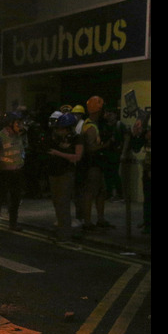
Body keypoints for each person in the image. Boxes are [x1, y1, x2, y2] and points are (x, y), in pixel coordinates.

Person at [46, 113, 84, 242]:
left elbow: (77, 157)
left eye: (61, 128)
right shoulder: (56, 138)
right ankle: (61, 229)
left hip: (65, 173)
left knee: (63, 203)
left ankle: (65, 233)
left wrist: (58, 153)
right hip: (54, 172)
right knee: (57, 203)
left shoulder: (77, 139)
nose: (59, 131)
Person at [79, 96, 112, 231]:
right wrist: (106, 145)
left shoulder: (93, 124)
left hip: (96, 164)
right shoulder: (91, 127)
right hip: (92, 165)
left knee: (100, 192)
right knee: (91, 192)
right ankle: (88, 221)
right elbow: (90, 148)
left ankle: (100, 219)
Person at [0, 111, 26, 231]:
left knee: (15, 199)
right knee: (0, 198)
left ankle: (13, 223)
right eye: (18, 123)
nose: (20, 125)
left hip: (17, 172)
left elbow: (21, 151)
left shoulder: (18, 135)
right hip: (4, 173)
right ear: (9, 124)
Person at [130, 114, 151, 235]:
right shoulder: (145, 134)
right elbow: (136, 147)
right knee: (148, 198)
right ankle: (147, 222)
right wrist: (135, 134)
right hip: (148, 170)